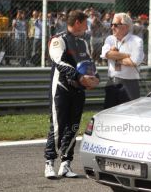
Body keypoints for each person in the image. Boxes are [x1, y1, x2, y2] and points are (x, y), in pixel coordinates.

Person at [44, 10, 100, 179]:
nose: (87, 26)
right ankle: (49, 163)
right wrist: (80, 77)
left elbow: (90, 64)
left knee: (74, 128)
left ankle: (66, 164)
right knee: (57, 127)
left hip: (78, 90)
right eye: (85, 23)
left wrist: (95, 79)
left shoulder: (83, 42)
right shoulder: (58, 39)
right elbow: (59, 62)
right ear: (77, 22)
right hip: (61, 89)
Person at [100, 12, 144, 109]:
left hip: (130, 84)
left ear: (125, 27)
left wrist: (116, 57)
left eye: (115, 25)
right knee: (109, 115)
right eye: (112, 25)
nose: (112, 27)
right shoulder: (110, 39)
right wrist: (126, 56)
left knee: (129, 116)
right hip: (112, 83)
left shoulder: (136, 41)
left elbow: (134, 62)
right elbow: (106, 54)